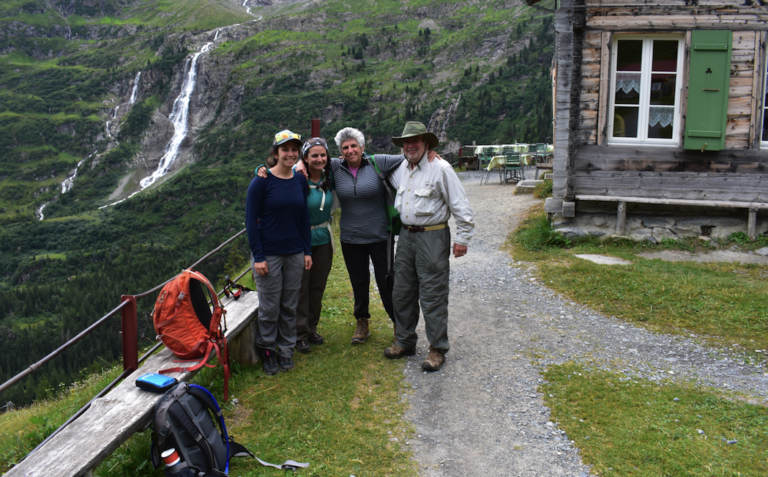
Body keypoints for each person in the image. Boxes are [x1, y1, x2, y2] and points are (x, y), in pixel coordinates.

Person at [382, 121, 475, 372]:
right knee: (402, 291)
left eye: (416, 141)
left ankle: (437, 349)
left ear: (426, 144)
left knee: (433, 293)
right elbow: (368, 160)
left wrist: (462, 239)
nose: (410, 145)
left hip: (433, 236)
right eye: (406, 142)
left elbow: (461, 205)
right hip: (406, 237)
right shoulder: (399, 166)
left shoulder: (441, 168)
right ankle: (405, 341)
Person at [246, 130, 312, 375]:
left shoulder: (299, 180)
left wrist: (307, 251)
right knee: (270, 306)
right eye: (285, 149)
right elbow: (251, 222)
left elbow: (303, 217)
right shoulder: (261, 182)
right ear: (276, 153)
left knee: (289, 304)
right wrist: (259, 256)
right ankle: (267, 350)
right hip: (270, 254)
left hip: (295, 252)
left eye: (294, 150)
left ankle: (286, 350)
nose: (290, 154)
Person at [295, 137, 337, 353]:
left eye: (323, 155)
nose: (319, 159)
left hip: (324, 240)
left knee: (317, 286)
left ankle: (311, 328)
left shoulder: (330, 176)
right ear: (305, 158)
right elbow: (272, 173)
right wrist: (260, 170)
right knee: (301, 287)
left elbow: (357, 158)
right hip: (303, 241)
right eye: (314, 155)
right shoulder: (297, 178)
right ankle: (299, 333)